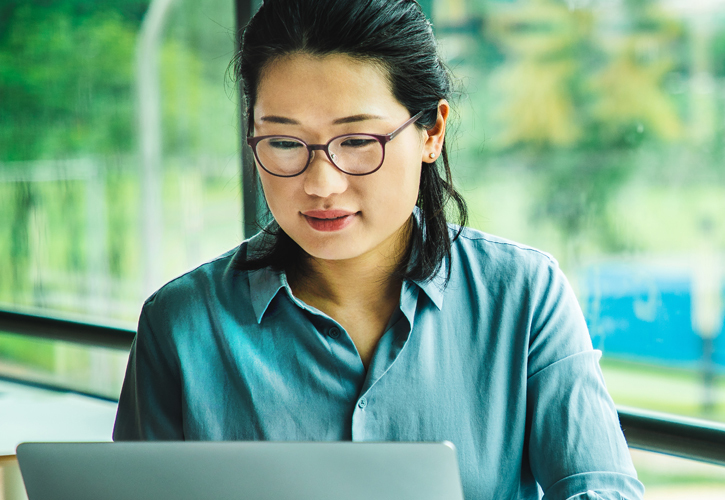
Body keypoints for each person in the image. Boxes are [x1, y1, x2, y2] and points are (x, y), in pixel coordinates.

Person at [111, 0, 644, 498]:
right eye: (284, 142)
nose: (321, 184)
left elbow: (601, 487)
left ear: (432, 132)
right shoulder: (180, 323)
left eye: (358, 141)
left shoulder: (523, 294)